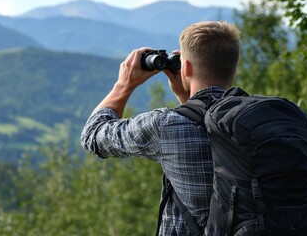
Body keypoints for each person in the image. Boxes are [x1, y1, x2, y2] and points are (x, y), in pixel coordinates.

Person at [80, 21, 240, 235]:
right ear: (234, 67)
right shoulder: (259, 119)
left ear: (187, 67)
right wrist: (187, 99)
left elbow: (93, 136)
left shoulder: (166, 125)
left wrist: (124, 84)